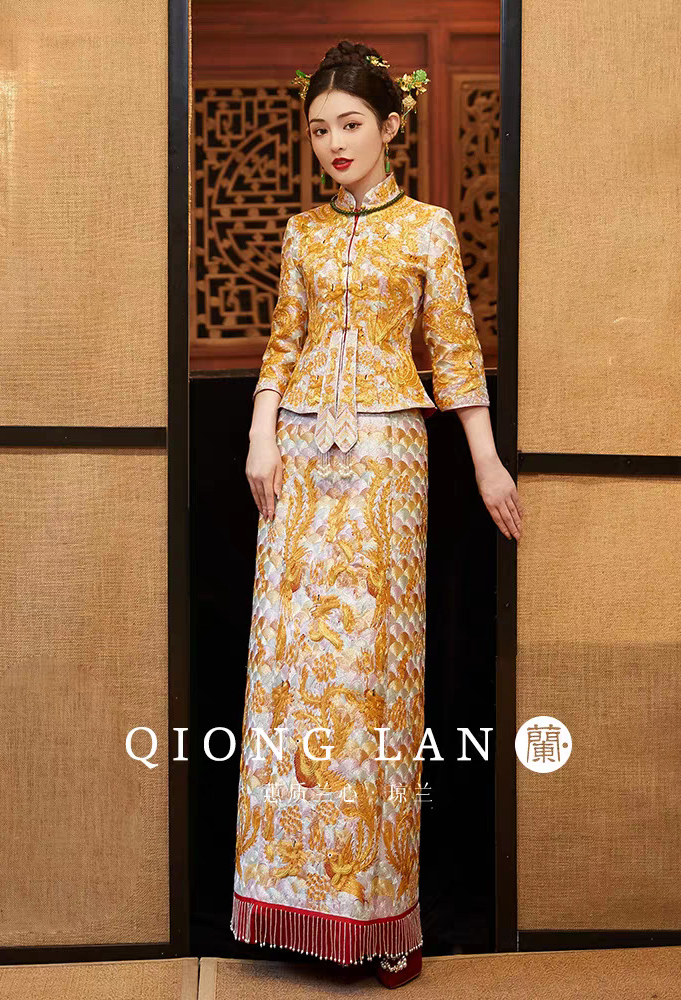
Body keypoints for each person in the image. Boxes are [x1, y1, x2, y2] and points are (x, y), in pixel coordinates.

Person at [232, 39, 523, 989]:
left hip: (388, 456)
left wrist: (485, 460)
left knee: (371, 674)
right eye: (320, 129)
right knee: (292, 671)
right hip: (297, 458)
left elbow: (455, 348)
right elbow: (283, 342)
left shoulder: (429, 229)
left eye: (351, 123)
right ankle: (293, 900)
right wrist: (260, 437)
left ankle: (384, 918)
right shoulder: (302, 234)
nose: (334, 143)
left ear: (391, 125)